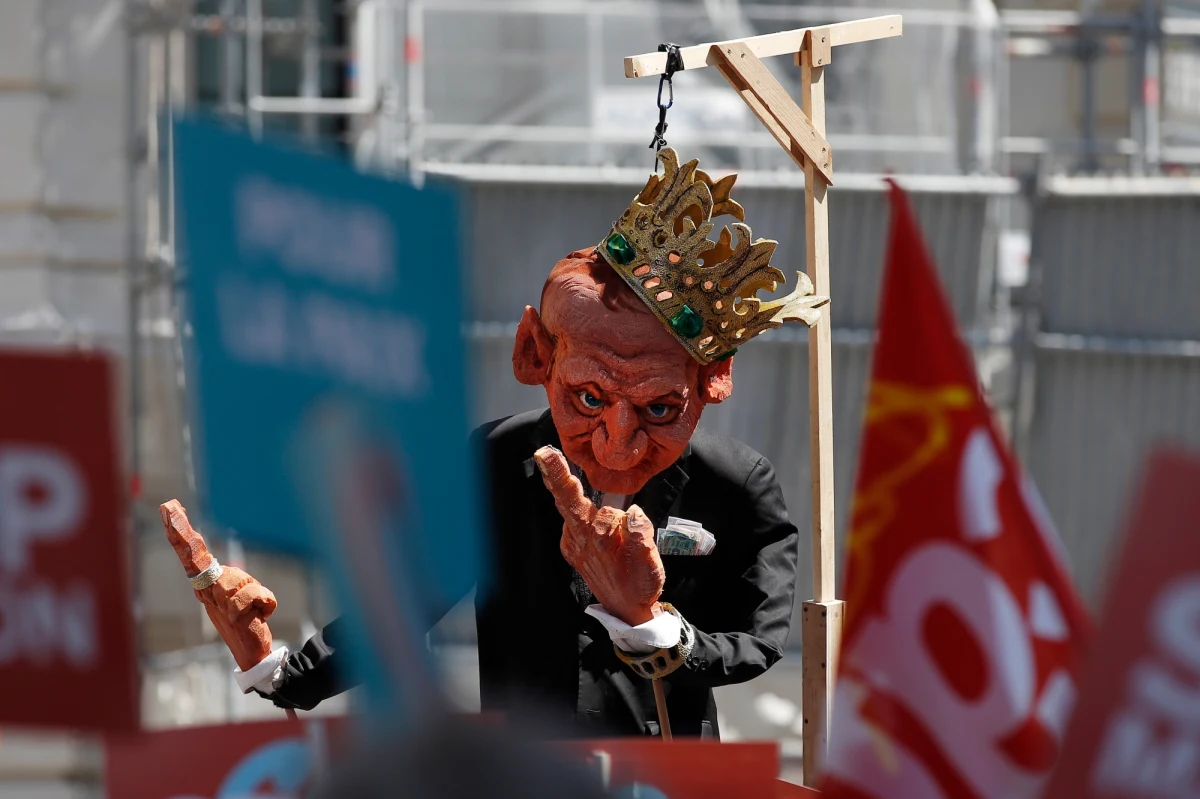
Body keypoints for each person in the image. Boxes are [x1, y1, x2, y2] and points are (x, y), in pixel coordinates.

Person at [162, 148, 827, 739]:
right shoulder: (496, 462)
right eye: (589, 398)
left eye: (659, 408)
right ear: (534, 353)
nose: (619, 442)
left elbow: (760, 638)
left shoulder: (735, 482)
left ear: (712, 380)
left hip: (669, 779)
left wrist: (657, 629)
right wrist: (279, 669)